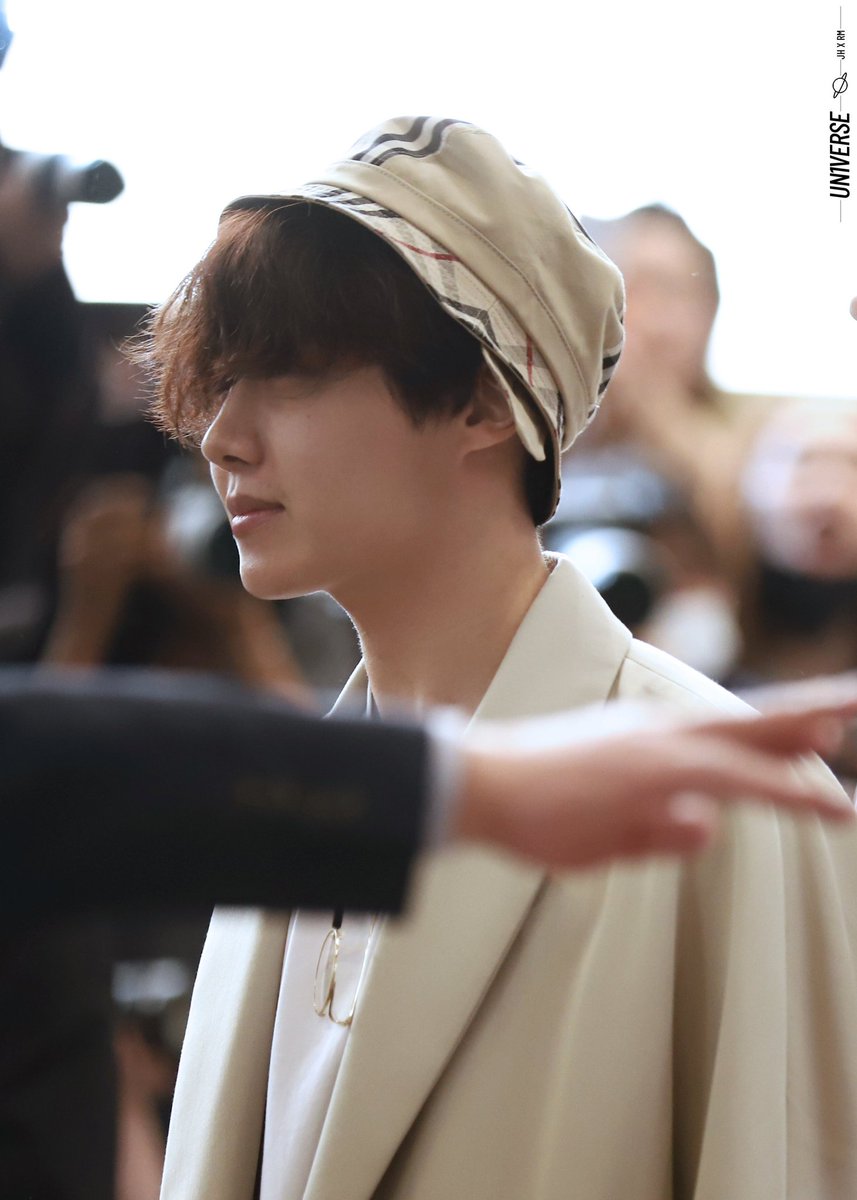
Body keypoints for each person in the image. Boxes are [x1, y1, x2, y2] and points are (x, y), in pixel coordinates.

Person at [139, 117, 857, 1199]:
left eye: (290, 373)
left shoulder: (721, 801)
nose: (222, 437)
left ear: (483, 398)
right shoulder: (286, 805)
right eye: (223, 379)